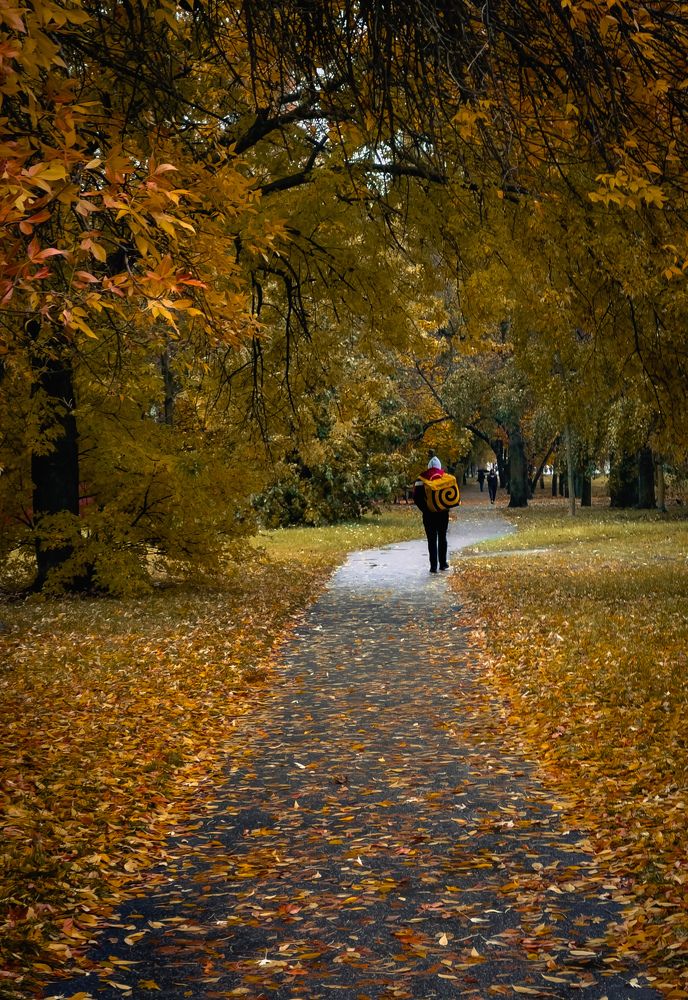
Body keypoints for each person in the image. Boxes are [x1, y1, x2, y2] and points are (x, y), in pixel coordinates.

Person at [413, 456, 450, 573]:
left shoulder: (421, 479)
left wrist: (425, 509)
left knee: (431, 539)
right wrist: (445, 508)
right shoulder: (445, 478)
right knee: (442, 537)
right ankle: (443, 564)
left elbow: (416, 497)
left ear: (429, 466)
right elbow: (450, 498)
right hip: (443, 514)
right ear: (439, 466)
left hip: (428, 514)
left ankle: (433, 566)